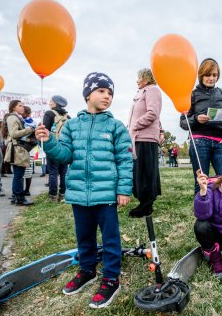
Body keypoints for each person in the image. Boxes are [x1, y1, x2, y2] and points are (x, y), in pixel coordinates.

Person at [35, 72, 132, 309]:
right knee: (84, 237)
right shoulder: (71, 126)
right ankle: (87, 270)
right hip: (79, 194)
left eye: (110, 93)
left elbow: (125, 161)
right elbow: (64, 154)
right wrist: (48, 142)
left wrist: (123, 189)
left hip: (106, 194)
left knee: (110, 238)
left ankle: (111, 277)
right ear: (88, 93)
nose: (107, 96)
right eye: (101, 91)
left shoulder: (116, 127)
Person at [180, 58, 222, 194]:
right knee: (201, 182)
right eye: (208, 75)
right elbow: (183, 122)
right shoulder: (192, 94)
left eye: (214, 75)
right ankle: (202, 215)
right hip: (199, 142)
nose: (211, 78)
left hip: (220, 143)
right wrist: (196, 119)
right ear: (201, 75)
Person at [127, 68, 163, 218]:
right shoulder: (142, 92)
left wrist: (135, 124)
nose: (137, 80)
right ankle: (144, 201)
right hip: (138, 137)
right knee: (139, 172)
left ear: (146, 78)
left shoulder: (152, 90)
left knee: (146, 172)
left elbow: (153, 113)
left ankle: (147, 205)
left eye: (139, 77)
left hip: (146, 138)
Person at [2, 100, 35, 206]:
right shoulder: (13, 118)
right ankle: (19, 198)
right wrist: (30, 129)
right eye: (20, 106)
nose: (23, 108)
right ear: (13, 108)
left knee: (18, 174)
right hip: (17, 149)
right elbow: (14, 133)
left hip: (17, 148)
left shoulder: (16, 118)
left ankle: (16, 197)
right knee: (19, 175)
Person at [42, 95, 70, 202]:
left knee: (53, 172)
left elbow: (45, 130)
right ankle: (63, 194)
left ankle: (52, 196)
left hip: (53, 146)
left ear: (55, 103)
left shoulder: (49, 114)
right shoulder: (68, 116)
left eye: (51, 101)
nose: (49, 103)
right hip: (65, 146)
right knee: (63, 172)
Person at [22, 106, 37, 197]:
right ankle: (26, 190)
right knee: (26, 171)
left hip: (26, 148)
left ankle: (26, 190)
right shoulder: (32, 122)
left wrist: (27, 140)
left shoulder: (29, 123)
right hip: (28, 149)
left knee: (26, 171)